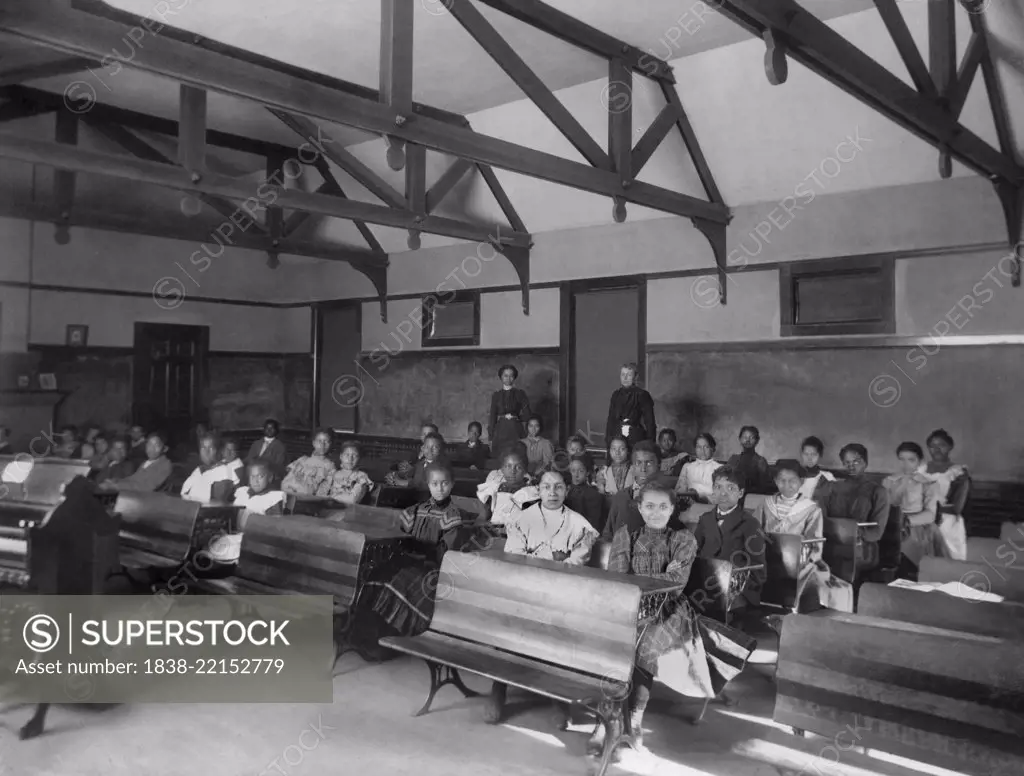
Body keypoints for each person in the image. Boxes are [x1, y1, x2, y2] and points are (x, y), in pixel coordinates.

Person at [487, 468, 598, 725]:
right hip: (525, 589)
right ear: (539, 490)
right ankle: (498, 688)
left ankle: (556, 697)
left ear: (566, 491)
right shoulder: (523, 519)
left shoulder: (578, 523)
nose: (552, 492)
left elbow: (578, 561)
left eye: (559, 487)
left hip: (561, 593)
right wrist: (549, 560)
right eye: (547, 487)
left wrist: (552, 563)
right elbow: (514, 556)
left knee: (557, 631)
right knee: (507, 623)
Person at [367, 461, 472, 638]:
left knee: (403, 581)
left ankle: (396, 630)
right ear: (428, 484)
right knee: (379, 573)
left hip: (432, 566)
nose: (440, 489)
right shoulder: (417, 510)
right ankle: (374, 629)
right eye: (434, 484)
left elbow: (446, 553)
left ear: (452, 484)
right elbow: (400, 535)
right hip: (409, 559)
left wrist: (421, 550)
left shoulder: (452, 516)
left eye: (445, 483)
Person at [752, 460, 853, 612]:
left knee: (800, 575)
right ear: (775, 481)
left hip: (801, 560)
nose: (787, 485)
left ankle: (792, 612)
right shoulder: (766, 504)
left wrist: (799, 557)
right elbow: (753, 531)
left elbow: (814, 545)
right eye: (782, 480)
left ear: (801, 481)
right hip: (766, 556)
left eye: (792, 481)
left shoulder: (811, 509)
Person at [692, 465, 767, 609]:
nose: (723, 493)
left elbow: (759, 570)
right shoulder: (705, 519)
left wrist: (735, 587)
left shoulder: (750, 523)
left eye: (730, 488)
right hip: (705, 585)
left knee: (716, 609)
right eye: (718, 487)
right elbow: (693, 554)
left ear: (740, 493)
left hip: (737, 591)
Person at [883, 442, 965, 567]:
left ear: (919, 462)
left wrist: (907, 521)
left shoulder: (927, 484)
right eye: (901, 460)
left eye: (911, 460)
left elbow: (931, 514)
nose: (905, 464)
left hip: (918, 528)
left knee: (915, 561)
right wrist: (902, 485)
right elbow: (887, 503)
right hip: (893, 525)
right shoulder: (889, 481)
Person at [823, 443, 890, 570]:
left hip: (862, 550)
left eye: (856, 462)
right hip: (833, 544)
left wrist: (852, 531)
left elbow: (876, 532)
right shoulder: (832, 487)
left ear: (865, 463)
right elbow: (823, 519)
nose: (851, 466)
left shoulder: (878, 491)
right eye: (847, 462)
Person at [603, 441, 679, 540]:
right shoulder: (621, 496)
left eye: (649, 463)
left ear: (659, 465)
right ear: (633, 466)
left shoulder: (666, 496)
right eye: (638, 463)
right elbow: (608, 533)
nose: (643, 469)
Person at [477, 448, 538, 526]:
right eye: (508, 467)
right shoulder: (494, 490)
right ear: (502, 469)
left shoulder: (531, 494)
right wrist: (487, 525)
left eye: (518, 467)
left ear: (525, 470)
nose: (513, 471)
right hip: (493, 534)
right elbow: (480, 520)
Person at [99, 432, 172, 492]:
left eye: (156, 445)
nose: (151, 448)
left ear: (165, 449)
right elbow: (133, 479)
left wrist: (115, 486)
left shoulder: (165, 465)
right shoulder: (147, 462)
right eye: (149, 444)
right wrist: (116, 481)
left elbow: (146, 487)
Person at [605, 362, 656, 444]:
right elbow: (611, 420)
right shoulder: (616, 395)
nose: (625, 378)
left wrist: (650, 443)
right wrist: (608, 440)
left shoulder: (642, 395)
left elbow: (649, 422)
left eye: (628, 375)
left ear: (635, 377)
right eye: (622, 374)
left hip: (636, 437)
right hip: (617, 437)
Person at [180, 432, 239, 503]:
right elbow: (183, 494)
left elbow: (219, 501)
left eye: (210, 448)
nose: (206, 452)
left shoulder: (225, 471)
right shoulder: (198, 470)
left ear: (216, 451)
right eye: (203, 448)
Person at [488, 365, 531, 456]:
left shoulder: (520, 394)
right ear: (501, 377)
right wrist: (491, 437)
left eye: (511, 376)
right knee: (500, 456)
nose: (508, 378)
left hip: (515, 428)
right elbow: (492, 417)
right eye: (505, 376)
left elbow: (528, 414)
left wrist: (516, 417)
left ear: (514, 377)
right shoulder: (496, 395)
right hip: (500, 430)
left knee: (517, 454)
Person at [281, 428, 337, 496]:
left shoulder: (329, 466)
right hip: (287, 491)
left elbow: (324, 490)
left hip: (305, 497)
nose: (322, 445)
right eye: (319, 441)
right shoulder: (303, 459)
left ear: (331, 444)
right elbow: (287, 471)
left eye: (326, 441)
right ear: (313, 443)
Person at [324, 440, 374, 504]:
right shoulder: (333, 474)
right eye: (347, 454)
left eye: (355, 455)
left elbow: (352, 500)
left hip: (350, 512)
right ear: (341, 456)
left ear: (359, 458)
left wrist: (330, 497)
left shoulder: (362, 476)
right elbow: (321, 495)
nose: (350, 459)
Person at [564, 455, 604, 532]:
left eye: (581, 471)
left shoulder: (593, 495)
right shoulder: (565, 490)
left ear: (587, 473)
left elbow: (593, 524)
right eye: (573, 470)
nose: (576, 475)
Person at [726, 426, 772, 494]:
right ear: (740, 439)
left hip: (752, 496)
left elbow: (764, 486)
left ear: (757, 440)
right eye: (745, 437)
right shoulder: (733, 459)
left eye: (751, 437)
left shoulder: (760, 461)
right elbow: (726, 479)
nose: (748, 440)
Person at [676, 433, 719, 502]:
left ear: (713, 449)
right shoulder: (688, 467)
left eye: (706, 447)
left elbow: (721, 494)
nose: (702, 450)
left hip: (711, 505)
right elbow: (680, 490)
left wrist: (703, 499)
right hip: (689, 503)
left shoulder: (719, 468)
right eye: (699, 447)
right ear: (695, 449)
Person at [798, 436, 835, 505]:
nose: (809, 458)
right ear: (802, 454)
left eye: (813, 454)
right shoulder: (795, 476)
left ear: (820, 455)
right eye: (806, 454)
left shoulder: (828, 477)